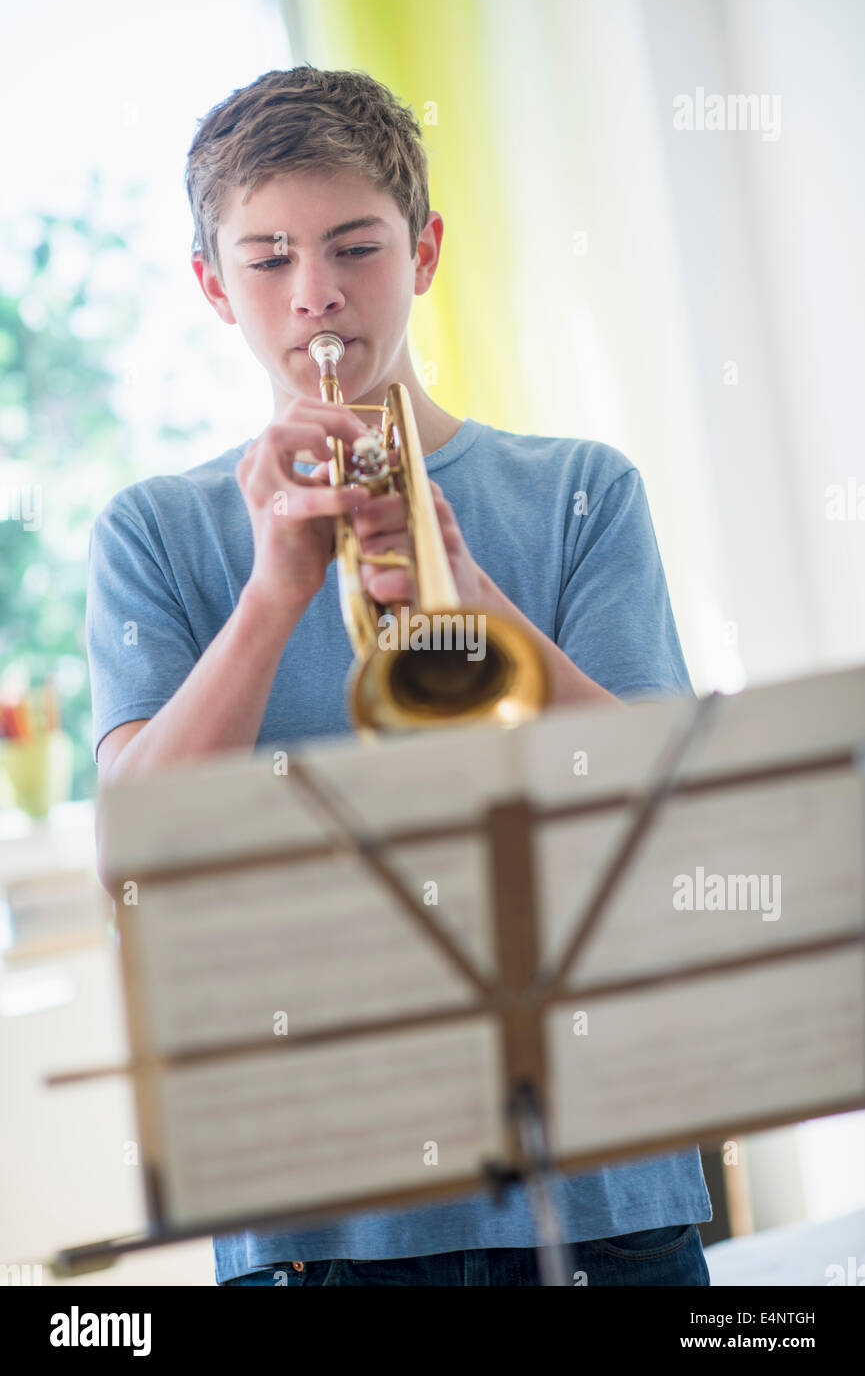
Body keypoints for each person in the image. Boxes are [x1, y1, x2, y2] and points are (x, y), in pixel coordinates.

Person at [85, 65, 712, 1287]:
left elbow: (669, 809)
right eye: (266, 258)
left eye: (352, 247)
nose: (315, 295)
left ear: (422, 254)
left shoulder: (581, 490)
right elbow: (136, 859)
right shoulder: (155, 529)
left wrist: (474, 602)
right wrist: (273, 593)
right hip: (319, 1219)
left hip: (602, 1188)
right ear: (215, 286)